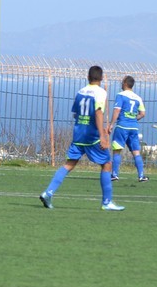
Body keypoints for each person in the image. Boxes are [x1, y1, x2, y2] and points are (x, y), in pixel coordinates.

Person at [39, 65, 124, 212]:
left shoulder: (80, 92)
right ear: (101, 78)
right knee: (107, 164)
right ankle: (107, 202)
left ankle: (48, 193)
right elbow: (98, 113)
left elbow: (75, 114)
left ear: (88, 77)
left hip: (78, 134)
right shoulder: (101, 92)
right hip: (92, 136)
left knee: (69, 164)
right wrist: (102, 135)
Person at [107, 75, 148, 182]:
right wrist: (133, 119)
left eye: (122, 82)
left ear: (125, 83)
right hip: (134, 128)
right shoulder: (138, 98)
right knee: (136, 152)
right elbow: (143, 113)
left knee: (117, 150)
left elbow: (117, 110)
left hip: (122, 126)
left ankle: (114, 174)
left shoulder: (121, 95)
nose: (121, 83)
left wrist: (111, 124)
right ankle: (141, 176)